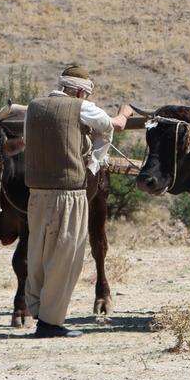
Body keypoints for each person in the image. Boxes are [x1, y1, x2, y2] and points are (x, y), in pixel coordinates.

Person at [24, 65, 132, 338]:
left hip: (36, 193)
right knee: (65, 257)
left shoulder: (33, 108)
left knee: (37, 252)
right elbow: (113, 126)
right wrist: (124, 112)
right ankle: (50, 322)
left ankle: (35, 306)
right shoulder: (81, 107)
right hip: (68, 193)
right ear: (80, 91)